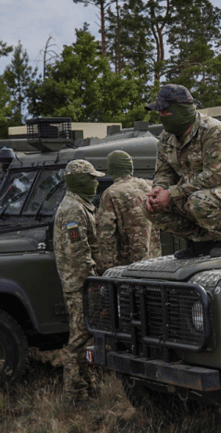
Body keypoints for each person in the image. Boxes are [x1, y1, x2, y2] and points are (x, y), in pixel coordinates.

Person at [142, 84, 221, 259]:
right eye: (159, 113)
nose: (161, 117)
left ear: (181, 111)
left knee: (198, 201)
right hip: (191, 194)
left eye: (165, 112)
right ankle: (200, 241)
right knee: (150, 207)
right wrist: (159, 189)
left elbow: (213, 177)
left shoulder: (214, 131)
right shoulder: (166, 137)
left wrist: (171, 193)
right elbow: (164, 172)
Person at [53, 159, 106, 401]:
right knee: (79, 339)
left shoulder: (79, 205)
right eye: (91, 178)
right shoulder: (73, 209)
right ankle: (74, 394)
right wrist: (93, 284)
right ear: (79, 180)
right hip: (80, 286)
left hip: (79, 284)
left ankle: (87, 388)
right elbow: (79, 254)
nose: (96, 182)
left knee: (86, 337)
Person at [94, 149, 159, 272]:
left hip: (127, 268)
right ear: (130, 167)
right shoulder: (149, 186)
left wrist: (107, 268)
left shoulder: (111, 193)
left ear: (111, 169)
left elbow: (105, 235)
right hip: (154, 263)